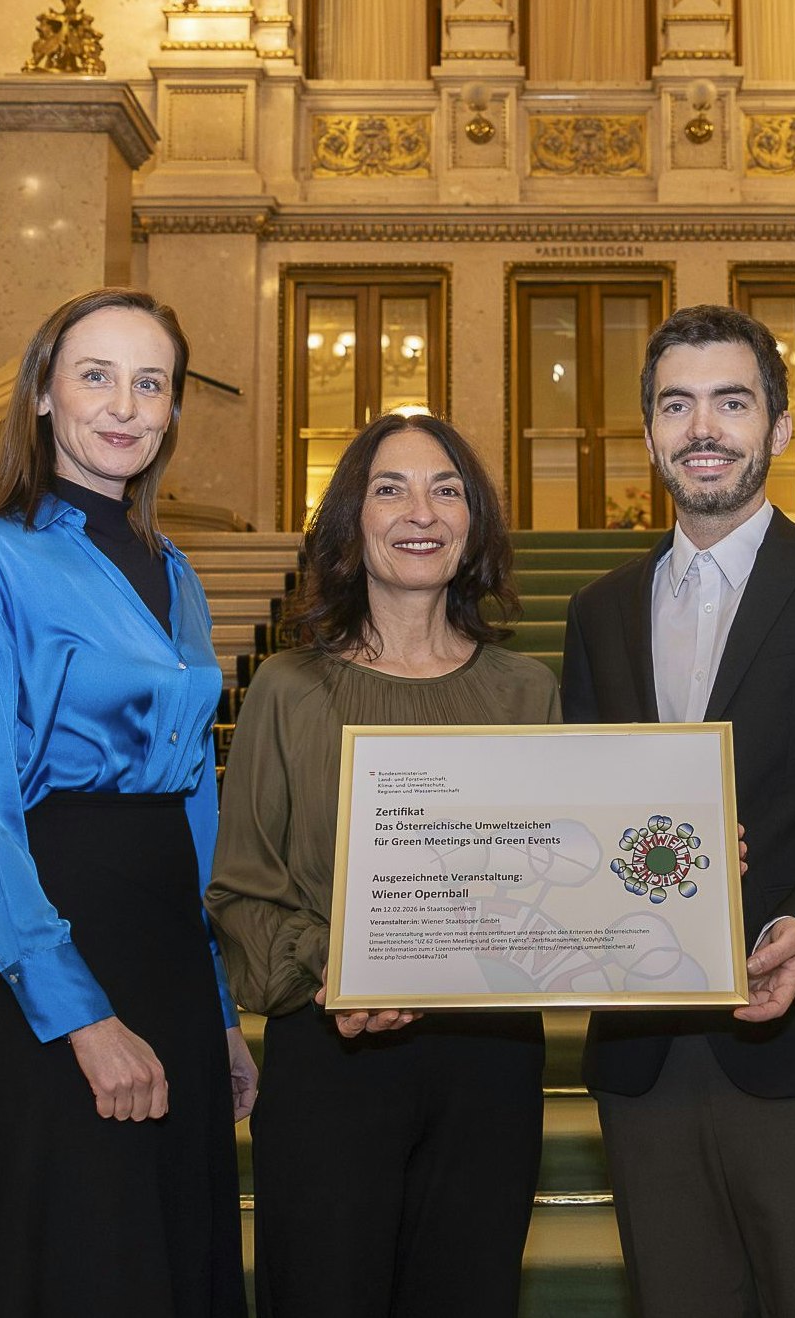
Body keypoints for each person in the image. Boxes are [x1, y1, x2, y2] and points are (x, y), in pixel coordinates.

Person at [560, 304, 795, 1318]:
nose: (703, 428)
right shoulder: (598, 611)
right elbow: (582, 814)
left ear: (781, 426)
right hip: (644, 1062)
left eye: (731, 402)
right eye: (675, 405)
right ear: (648, 434)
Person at [0, 288, 253, 1317]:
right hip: (44, 950)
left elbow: (193, 801)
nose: (124, 405)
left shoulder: (177, 571)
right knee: (76, 1259)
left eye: (150, 382)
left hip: (166, 947)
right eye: (95, 376)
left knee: (170, 1254)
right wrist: (82, 1016)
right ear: (43, 394)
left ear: (173, 409)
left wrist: (219, 1010)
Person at [206, 413, 558, 1318]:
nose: (421, 512)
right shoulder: (288, 688)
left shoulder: (527, 692)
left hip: (489, 1066)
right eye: (389, 489)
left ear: (474, 521)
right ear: (351, 521)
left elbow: (555, 879)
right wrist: (337, 964)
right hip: (334, 1053)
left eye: (447, 490)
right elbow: (241, 891)